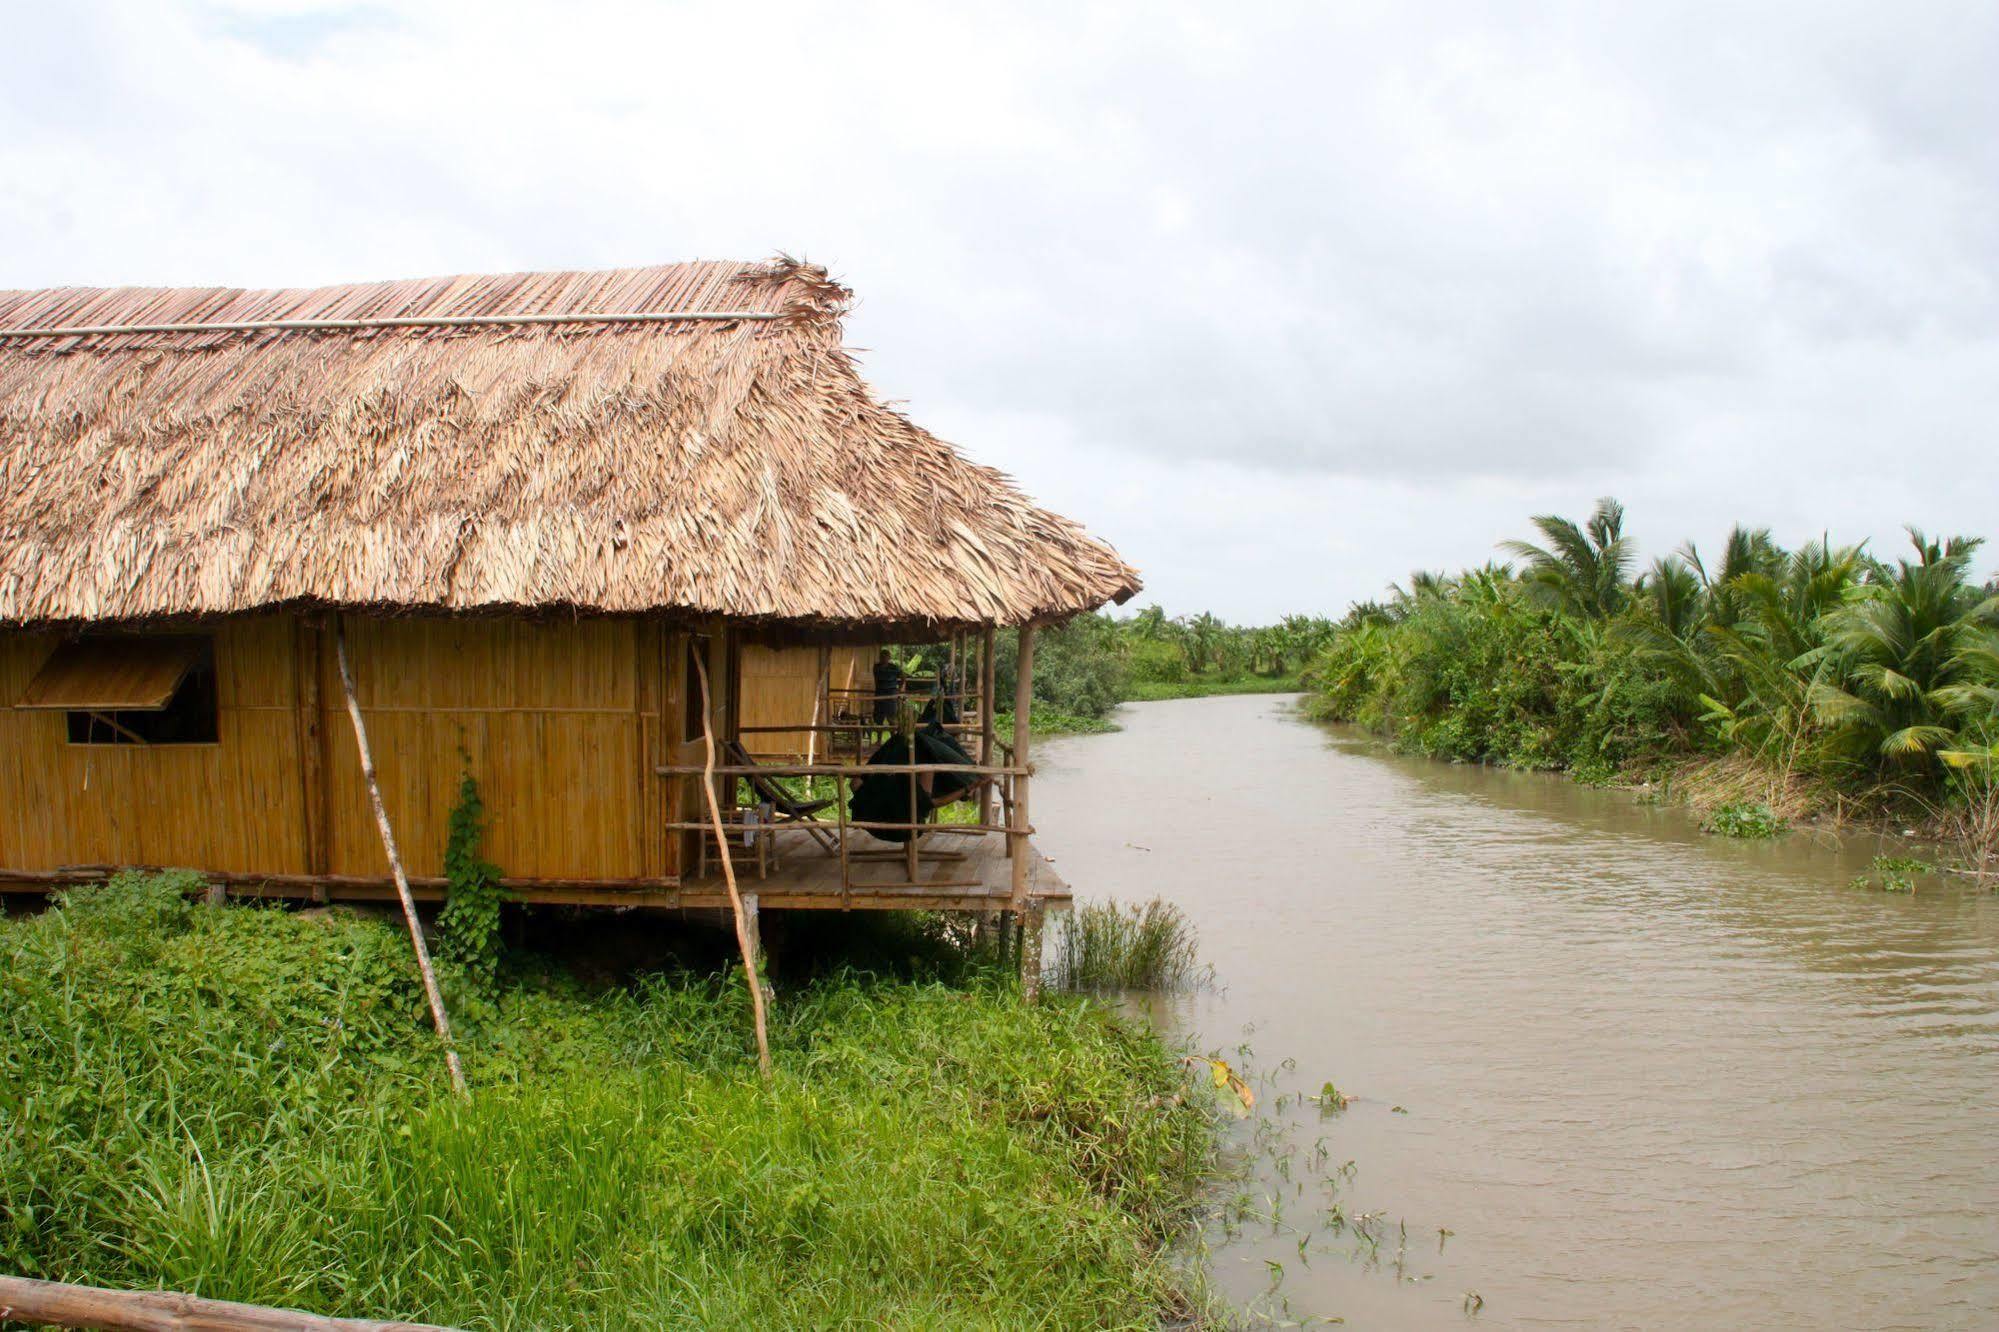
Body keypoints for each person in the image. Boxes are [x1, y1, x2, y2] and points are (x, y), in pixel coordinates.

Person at [871, 650, 902, 726]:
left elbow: (903, 676)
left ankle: (893, 736)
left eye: (885, 657)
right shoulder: (876, 667)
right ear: (880, 658)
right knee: (878, 718)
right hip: (880, 694)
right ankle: (879, 737)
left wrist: (899, 689)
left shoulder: (894, 667)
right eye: (882, 657)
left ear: (889, 658)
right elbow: (877, 679)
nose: (883, 658)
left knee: (892, 718)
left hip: (891, 695)